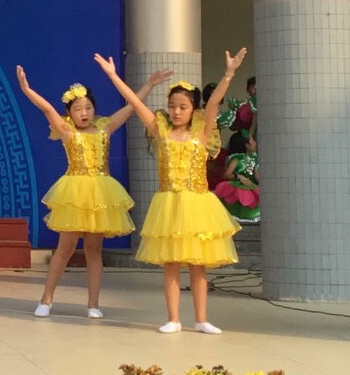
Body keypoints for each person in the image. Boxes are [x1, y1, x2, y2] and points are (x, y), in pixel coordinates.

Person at [96, 50, 245, 334]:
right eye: (172, 106)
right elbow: (135, 103)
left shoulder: (202, 132)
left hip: (198, 205)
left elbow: (214, 102)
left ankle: (201, 319)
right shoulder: (160, 131)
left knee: (198, 264)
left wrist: (229, 74)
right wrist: (113, 75)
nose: (176, 112)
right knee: (171, 264)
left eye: (182, 107)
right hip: (169, 205)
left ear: (192, 109)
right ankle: (174, 319)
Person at [17, 65, 171, 319]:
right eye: (77, 109)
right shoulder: (67, 131)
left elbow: (131, 107)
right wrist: (26, 89)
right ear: (69, 113)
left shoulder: (104, 128)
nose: (84, 113)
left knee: (93, 251)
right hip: (75, 194)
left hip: (101, 194)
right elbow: (47, 109)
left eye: (88, 107)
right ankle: (46, 299)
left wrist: (149, 85)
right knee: (64, 249)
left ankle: (93, 304)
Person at [214, 131, 259, 223]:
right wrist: (239, 177)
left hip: (252, 187)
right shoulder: (237, 159)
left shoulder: (255, 157)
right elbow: (226, 174)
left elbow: (256, 175)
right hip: (238, 187)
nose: (255, 142)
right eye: (253, 141)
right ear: (247, 145)